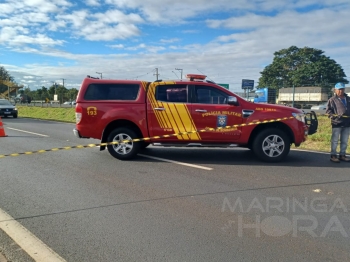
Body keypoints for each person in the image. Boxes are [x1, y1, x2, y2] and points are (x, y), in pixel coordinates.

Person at [326, 82, 350, 163]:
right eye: (339, 89)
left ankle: (342, 155)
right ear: (335, 90)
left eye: (342, 89)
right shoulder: (332, 100)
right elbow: (328, 111)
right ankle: (333, 155)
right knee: (335, 140)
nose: (341, 91)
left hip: (347, 123)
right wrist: (333, 116)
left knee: (344, 140)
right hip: (337, 123)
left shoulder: (348, 99)